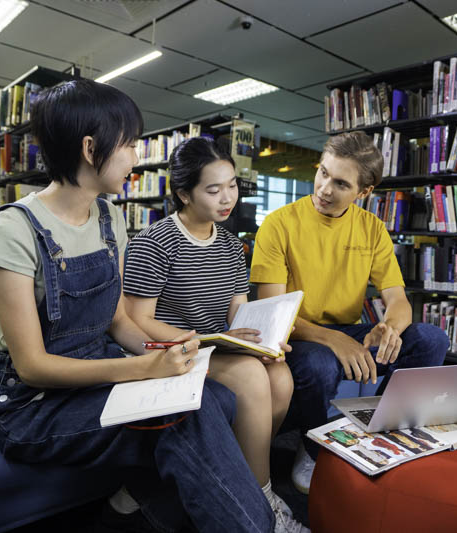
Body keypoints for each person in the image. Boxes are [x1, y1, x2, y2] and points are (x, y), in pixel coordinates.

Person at [0, 78, 274, 533]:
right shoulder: (15, 228)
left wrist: (170, 353)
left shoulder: (110, 217)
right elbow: (33, 366)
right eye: (131, 144)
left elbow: (118, 322)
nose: (137, 156)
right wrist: (142, 370)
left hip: (99, 372)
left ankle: (131, 505)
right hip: (33, 403)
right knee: (180, 416)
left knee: (213, 394)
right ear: (91, 148)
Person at [123, 136, 306, 533]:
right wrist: (203, 340)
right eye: (213, 189)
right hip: (169, 349)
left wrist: (265, 339)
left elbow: (238, 310)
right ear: (184, 194)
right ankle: (261, 498)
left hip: (216, 346)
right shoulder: (154, 243)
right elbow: (138, 320)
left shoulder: (228, 244)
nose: (228, 198)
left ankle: (237, 481)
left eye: (232, 185)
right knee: (252, 376)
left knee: (281, 375)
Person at [249, 131, 450, 494]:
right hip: (298, 335)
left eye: (340, 183)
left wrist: (388, 327)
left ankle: (384, 428)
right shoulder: (279, 223)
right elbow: (273, 312)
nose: (325, 188)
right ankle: (311, 449)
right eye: (323, 173)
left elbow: (398, 300)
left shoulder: (372, 228)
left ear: (364, 192)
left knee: (431, 339)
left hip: (349, 333)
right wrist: (333, 339)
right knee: (319, 364)